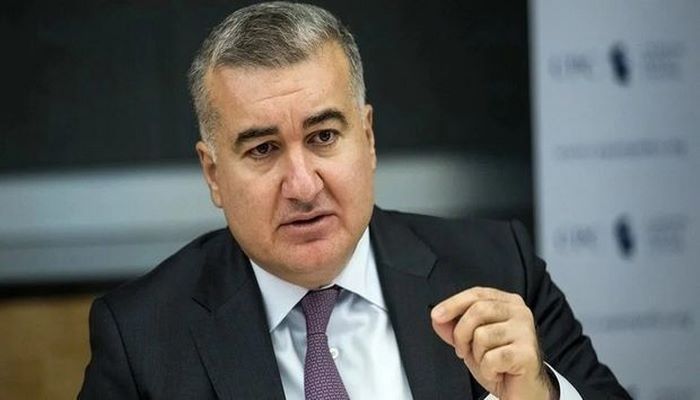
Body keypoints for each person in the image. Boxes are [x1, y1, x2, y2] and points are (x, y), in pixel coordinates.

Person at [79, 2, 631, 399]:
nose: (303, 186)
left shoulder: (496, 266)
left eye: (323, 137)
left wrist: (540, 394)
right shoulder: (142, 337)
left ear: (367, 138)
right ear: (213, 173)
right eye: (263, 149)